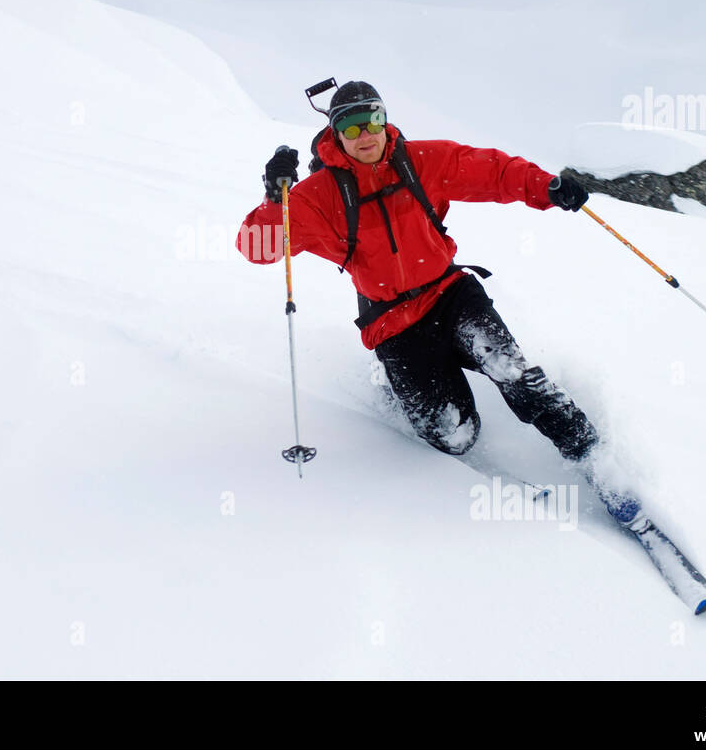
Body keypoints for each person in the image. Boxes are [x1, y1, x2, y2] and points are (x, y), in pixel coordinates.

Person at [237, 80, 616, 485]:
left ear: (384, 120)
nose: (364, 134)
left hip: (450, 294)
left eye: (372, 120)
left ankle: (594, 457)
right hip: (393, 323)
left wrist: (546, 186)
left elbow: (492, 170)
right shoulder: (319, 195)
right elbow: (257, 247)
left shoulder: (419, 161)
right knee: (456, 435)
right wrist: (275, 202)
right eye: (350, 127)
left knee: (511, 370)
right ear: (336, 134)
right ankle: (394, 379)